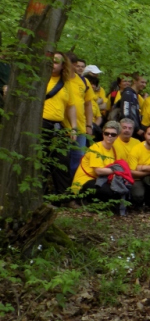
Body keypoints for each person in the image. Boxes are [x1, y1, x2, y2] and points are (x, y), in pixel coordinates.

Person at [70, 121, 128, 209]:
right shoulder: (96, 148)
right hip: (86, 181)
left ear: (117, 136)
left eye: (113, 134)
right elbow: (98, 171)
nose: (109, 136)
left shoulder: (115, 150)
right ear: (103, 134)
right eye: (107, 133)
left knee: (121, 190)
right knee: (110, 191)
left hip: (102, 180)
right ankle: (83, 200)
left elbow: (122, 165)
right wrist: (116, 170)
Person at [43, 52, 77, 194]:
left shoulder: (66, 83)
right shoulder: (40, 79)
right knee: (41, 161)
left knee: (62, 162)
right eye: (51, 61)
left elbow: (71, 106)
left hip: (59, 127)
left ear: (63, 65)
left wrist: (74, 127)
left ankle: (63, 197)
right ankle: (40, 196)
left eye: (57, 62)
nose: (53, 64)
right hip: (41, 125)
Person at [63, 52, 95, 177]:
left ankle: (75, 189)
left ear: (74, 65)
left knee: (77, 159)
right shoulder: (59, 79)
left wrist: (89, 125)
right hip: (61, 126)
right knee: (62, 160)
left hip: (80, 127)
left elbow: (88, 104)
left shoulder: (83, 81)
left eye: (67, 63)